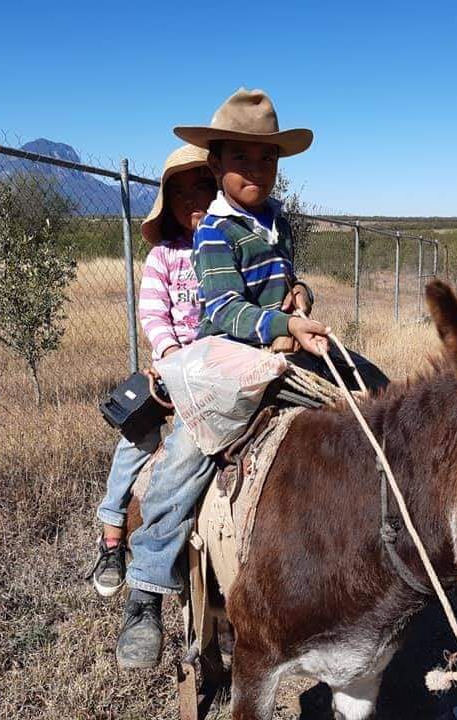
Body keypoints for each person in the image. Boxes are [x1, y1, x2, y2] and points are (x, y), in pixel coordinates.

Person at [116, 88, 328, 669]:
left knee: (369, 397)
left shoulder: (277, 219)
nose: (256, 170)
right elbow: (221, 310)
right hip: (227, 362)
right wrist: (282, 323)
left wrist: (300, 295)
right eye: (242, 159)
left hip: (282, 352)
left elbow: (285, 279)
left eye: (266, 159)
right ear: (216, 165)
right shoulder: (214, 231)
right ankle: (146, 591)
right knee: (184, 457)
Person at [89, 145, 216, 599]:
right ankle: (112, 535)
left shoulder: (227, 245)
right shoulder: (164, 255)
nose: (192, 199)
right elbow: (154, 314)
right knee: (137, 438)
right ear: (168, 203)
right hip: (173, 365)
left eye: (202, 185)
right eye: (179, 192)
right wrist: (168, 356)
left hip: (218, 368)